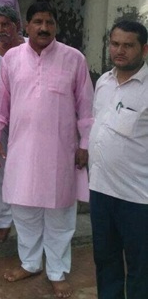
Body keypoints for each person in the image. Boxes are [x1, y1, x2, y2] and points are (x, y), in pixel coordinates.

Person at [0, 2, 94, 298]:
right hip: (22, 148)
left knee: (60, 213)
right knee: (24, 210)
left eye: (49, 22)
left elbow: (86, 107)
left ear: (56, 26)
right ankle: (30, 263)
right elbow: (1, 102)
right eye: (38, 22)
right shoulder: (11, 58)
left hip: (61, 151)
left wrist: (85, 144)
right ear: (27, 25)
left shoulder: (74, 58)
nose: (44, 28)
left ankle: (57, 271)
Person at [89, 20, 148, 299]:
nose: (119, 51)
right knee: (105, 261)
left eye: (128, 45)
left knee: (141, 268)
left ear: (144, 49)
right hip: (101, 191)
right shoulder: (103, 81)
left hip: (138, 197)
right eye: (115, 44)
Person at [0, 6, 24, 245]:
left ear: (16, 25)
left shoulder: (31, 47)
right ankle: (2, 221)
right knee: (0, 169)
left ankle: (25, 219)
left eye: (5, 25)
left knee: (28, 169)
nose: (1, 30)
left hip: (28, 119)